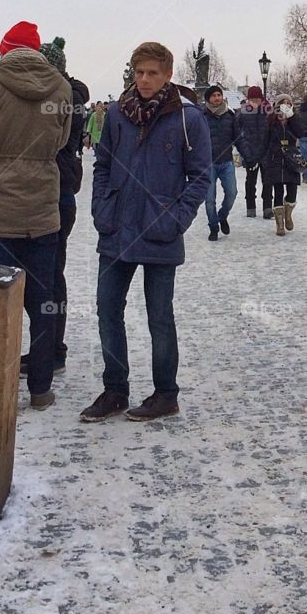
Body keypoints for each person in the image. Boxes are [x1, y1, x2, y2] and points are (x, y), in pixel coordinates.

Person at [80, 41, 210, 423]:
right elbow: (102, 164)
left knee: (159, 317)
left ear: (168, 74)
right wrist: (102, 207)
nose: (145, 80)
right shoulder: (119, 113)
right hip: (117, 226)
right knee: (107, 310)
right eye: (139, 72)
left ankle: (165, 393)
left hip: (159, 230)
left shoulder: (188, 118)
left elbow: (200, 176)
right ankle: (115, 389)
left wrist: (176, 218)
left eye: (152, 72)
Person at [0, 20, 72, 411]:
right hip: (42, 205)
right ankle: (40, 389)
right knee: (42, 301)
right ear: (37, 51)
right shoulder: (60, 87)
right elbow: (60, 140)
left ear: (6, 50)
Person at [40, 36, 89, 373]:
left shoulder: (65, 97)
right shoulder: (67, 94)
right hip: (57, 185)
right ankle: (49, 348)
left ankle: (52, 350)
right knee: (48, 273)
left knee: (51, 273)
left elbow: (58, 141)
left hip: (56, 187)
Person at [201, 84, 239, 241]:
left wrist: (249, 156)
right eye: (214, 95)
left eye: (219, 95)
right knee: (209, 199)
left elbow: (238, 137)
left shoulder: (230, 116)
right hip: (207, 163)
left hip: (226, 161)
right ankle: (213, 226)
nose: (217, 98)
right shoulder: (201, 116)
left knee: (232, 193)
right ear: (208, 99)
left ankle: (222, 216)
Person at [261, 95, 303, 236]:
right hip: (276, 158)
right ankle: (279, 224)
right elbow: (264, 140)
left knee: (292, 192)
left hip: (291, 159)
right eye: (283, 103)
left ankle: (288, 213)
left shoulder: (294, 119)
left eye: (288, 103)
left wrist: (291, 117)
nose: (286, 105)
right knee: (278, 191)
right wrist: (262, 159)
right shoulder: (271, 120)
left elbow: (301, 132)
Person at [238, 86, 273, 218]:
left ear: (261, 98)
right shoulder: (243, 113)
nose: (254, 102)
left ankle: (267, 207)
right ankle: (250, 207)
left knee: (268, 181)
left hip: (266, 151)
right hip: (251, 151)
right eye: (252, 99)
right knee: (250, 181)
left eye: (257, 99)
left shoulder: (268, 111)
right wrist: (245, 150)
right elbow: (238, 130)